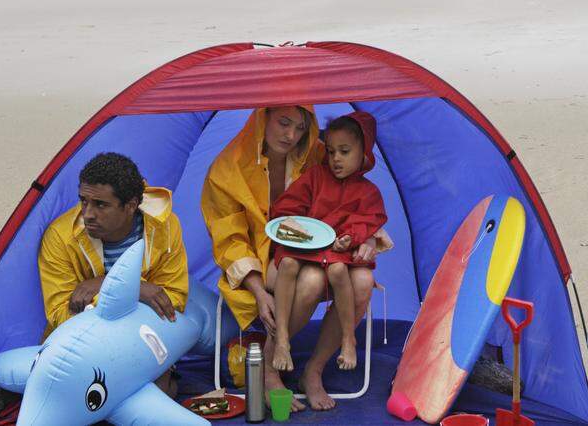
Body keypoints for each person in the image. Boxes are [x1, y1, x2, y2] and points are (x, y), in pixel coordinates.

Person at [201, 106, 392, 411]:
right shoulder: (227, 170)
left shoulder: (320, 153)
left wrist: (366, 236)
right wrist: (258, 290)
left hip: (325, 255)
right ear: (264, 118)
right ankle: (270, 366)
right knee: (311, 281)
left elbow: (356, 199)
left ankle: (313, 371)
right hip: (267, 263)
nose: (292, 136)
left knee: (364, 280)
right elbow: (230, 240)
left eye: (301, 127)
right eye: (284, 123)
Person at [38, 152, 188, 394]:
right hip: (84, 347)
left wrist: (108, 284)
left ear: (130, 206)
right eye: (83, 201)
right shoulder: (60, 237)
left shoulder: (165, 227)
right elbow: (60, 313)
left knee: (161, 393)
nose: (87, 214)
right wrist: (132, 289)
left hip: (142, 339)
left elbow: (173, 301)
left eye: (100, 205)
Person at [269, 111, 387, 373]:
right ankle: (281, 341)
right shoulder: (315, 177)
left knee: (341, 271)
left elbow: (371, 219)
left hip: (337, 255)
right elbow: (287, 208)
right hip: (306, 250)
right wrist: (295, 223)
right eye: (331, 151)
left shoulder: (368, 192)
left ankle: (346, 340)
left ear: (364, 152)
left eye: (344, 151)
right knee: (287, 262)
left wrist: (352, 237)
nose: (336, 159)